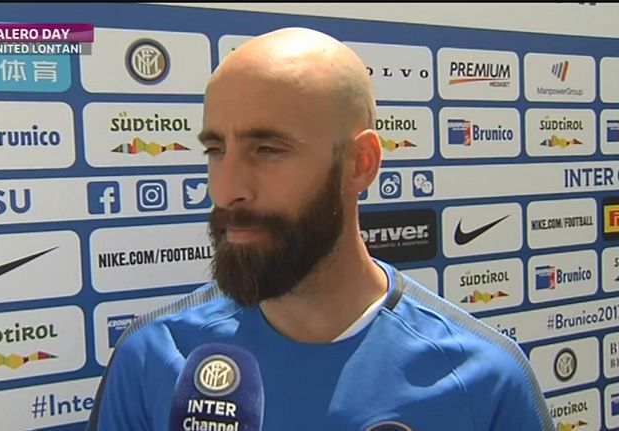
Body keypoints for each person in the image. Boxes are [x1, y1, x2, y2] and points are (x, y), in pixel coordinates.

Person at [87, 27, 553, 431]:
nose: (227, 189)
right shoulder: (153, 356)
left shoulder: (485, 381)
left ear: (360, 163)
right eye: (215, 150)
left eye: (267, 149)